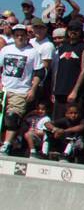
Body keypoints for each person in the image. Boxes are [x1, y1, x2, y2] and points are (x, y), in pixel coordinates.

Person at [0, 24, 41, 155]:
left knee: (12, 118)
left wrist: (33, 89)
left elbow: (39, 72)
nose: (19, 37)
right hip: (4, 88)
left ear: (26, 36)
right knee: (2, 118)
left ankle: (7, 145)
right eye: (16, 35)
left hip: (21, 90)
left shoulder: (32, 52)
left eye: (22, 35)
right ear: (13, 35)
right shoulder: (6, 50)